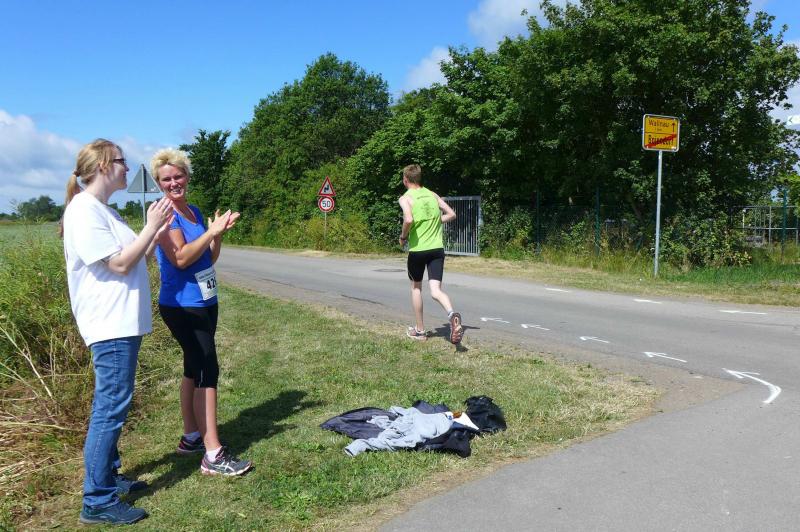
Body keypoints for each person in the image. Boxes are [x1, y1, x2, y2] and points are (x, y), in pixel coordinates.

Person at [62, 139, 173, 525]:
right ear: (104, 166)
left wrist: (153, 234)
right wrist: (151, 226)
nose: (128, 167)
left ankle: (108, 477)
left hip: (121, 322)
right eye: (122, 162)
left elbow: (133, 256)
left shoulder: (103, 210)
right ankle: (97, 500)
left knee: (112, 404)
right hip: (108, 324)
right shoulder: (83, 211)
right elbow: (120, 265)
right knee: (110, 408)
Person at [151, 148, 252, 476]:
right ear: (158, 183)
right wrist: (211, 232)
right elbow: (180, 258)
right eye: (166, 179)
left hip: (206, 300)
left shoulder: (192, 210)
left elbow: (208, 257)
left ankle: (191, 437)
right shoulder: (167, 215)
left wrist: (216, 236)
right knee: (208, 368)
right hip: (182, 305)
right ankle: (213, 454)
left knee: (193, 367)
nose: (173, 183)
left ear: (187, 177)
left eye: (178, 176)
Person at [398, 164, 464, 344]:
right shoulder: (432, 195)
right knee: (436, 291)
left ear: (405, 180)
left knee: (416, 288)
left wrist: (403, 237)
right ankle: (452, 314)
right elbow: (451, 214)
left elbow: (408, 219)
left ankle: (420, 331)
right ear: (419, 178)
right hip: (437, 250)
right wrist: (433, 222)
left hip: (418, 251)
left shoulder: (405, 198)